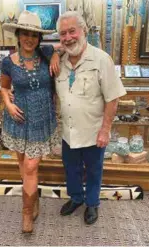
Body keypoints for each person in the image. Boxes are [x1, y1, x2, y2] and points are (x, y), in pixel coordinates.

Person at [54, 11, 126, 225]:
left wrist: (105, 129)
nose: (68, 37)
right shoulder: (60, 61)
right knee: (71, 169)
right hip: (68, 132)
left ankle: (92, 203)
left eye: (72, 31)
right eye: (63, 33)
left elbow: (113, 98)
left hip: (94, 132)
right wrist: (55, 53)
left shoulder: (101, 59)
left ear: (83, 31)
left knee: (94, 171)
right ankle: (76, 198)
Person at [0, 10, 59, 233]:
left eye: (34, 35)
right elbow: (4, 87)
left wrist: (54, 55)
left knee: (31, 166)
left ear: (39, 38)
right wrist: (7, 103)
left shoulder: (45, 53)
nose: (29, 39)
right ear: (18, 35)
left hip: (42, 120)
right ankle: (33, 201)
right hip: (18, 119)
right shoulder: (8, 62)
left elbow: (59, 48)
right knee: (23, 166)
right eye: (25, 34)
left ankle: (26, 213)